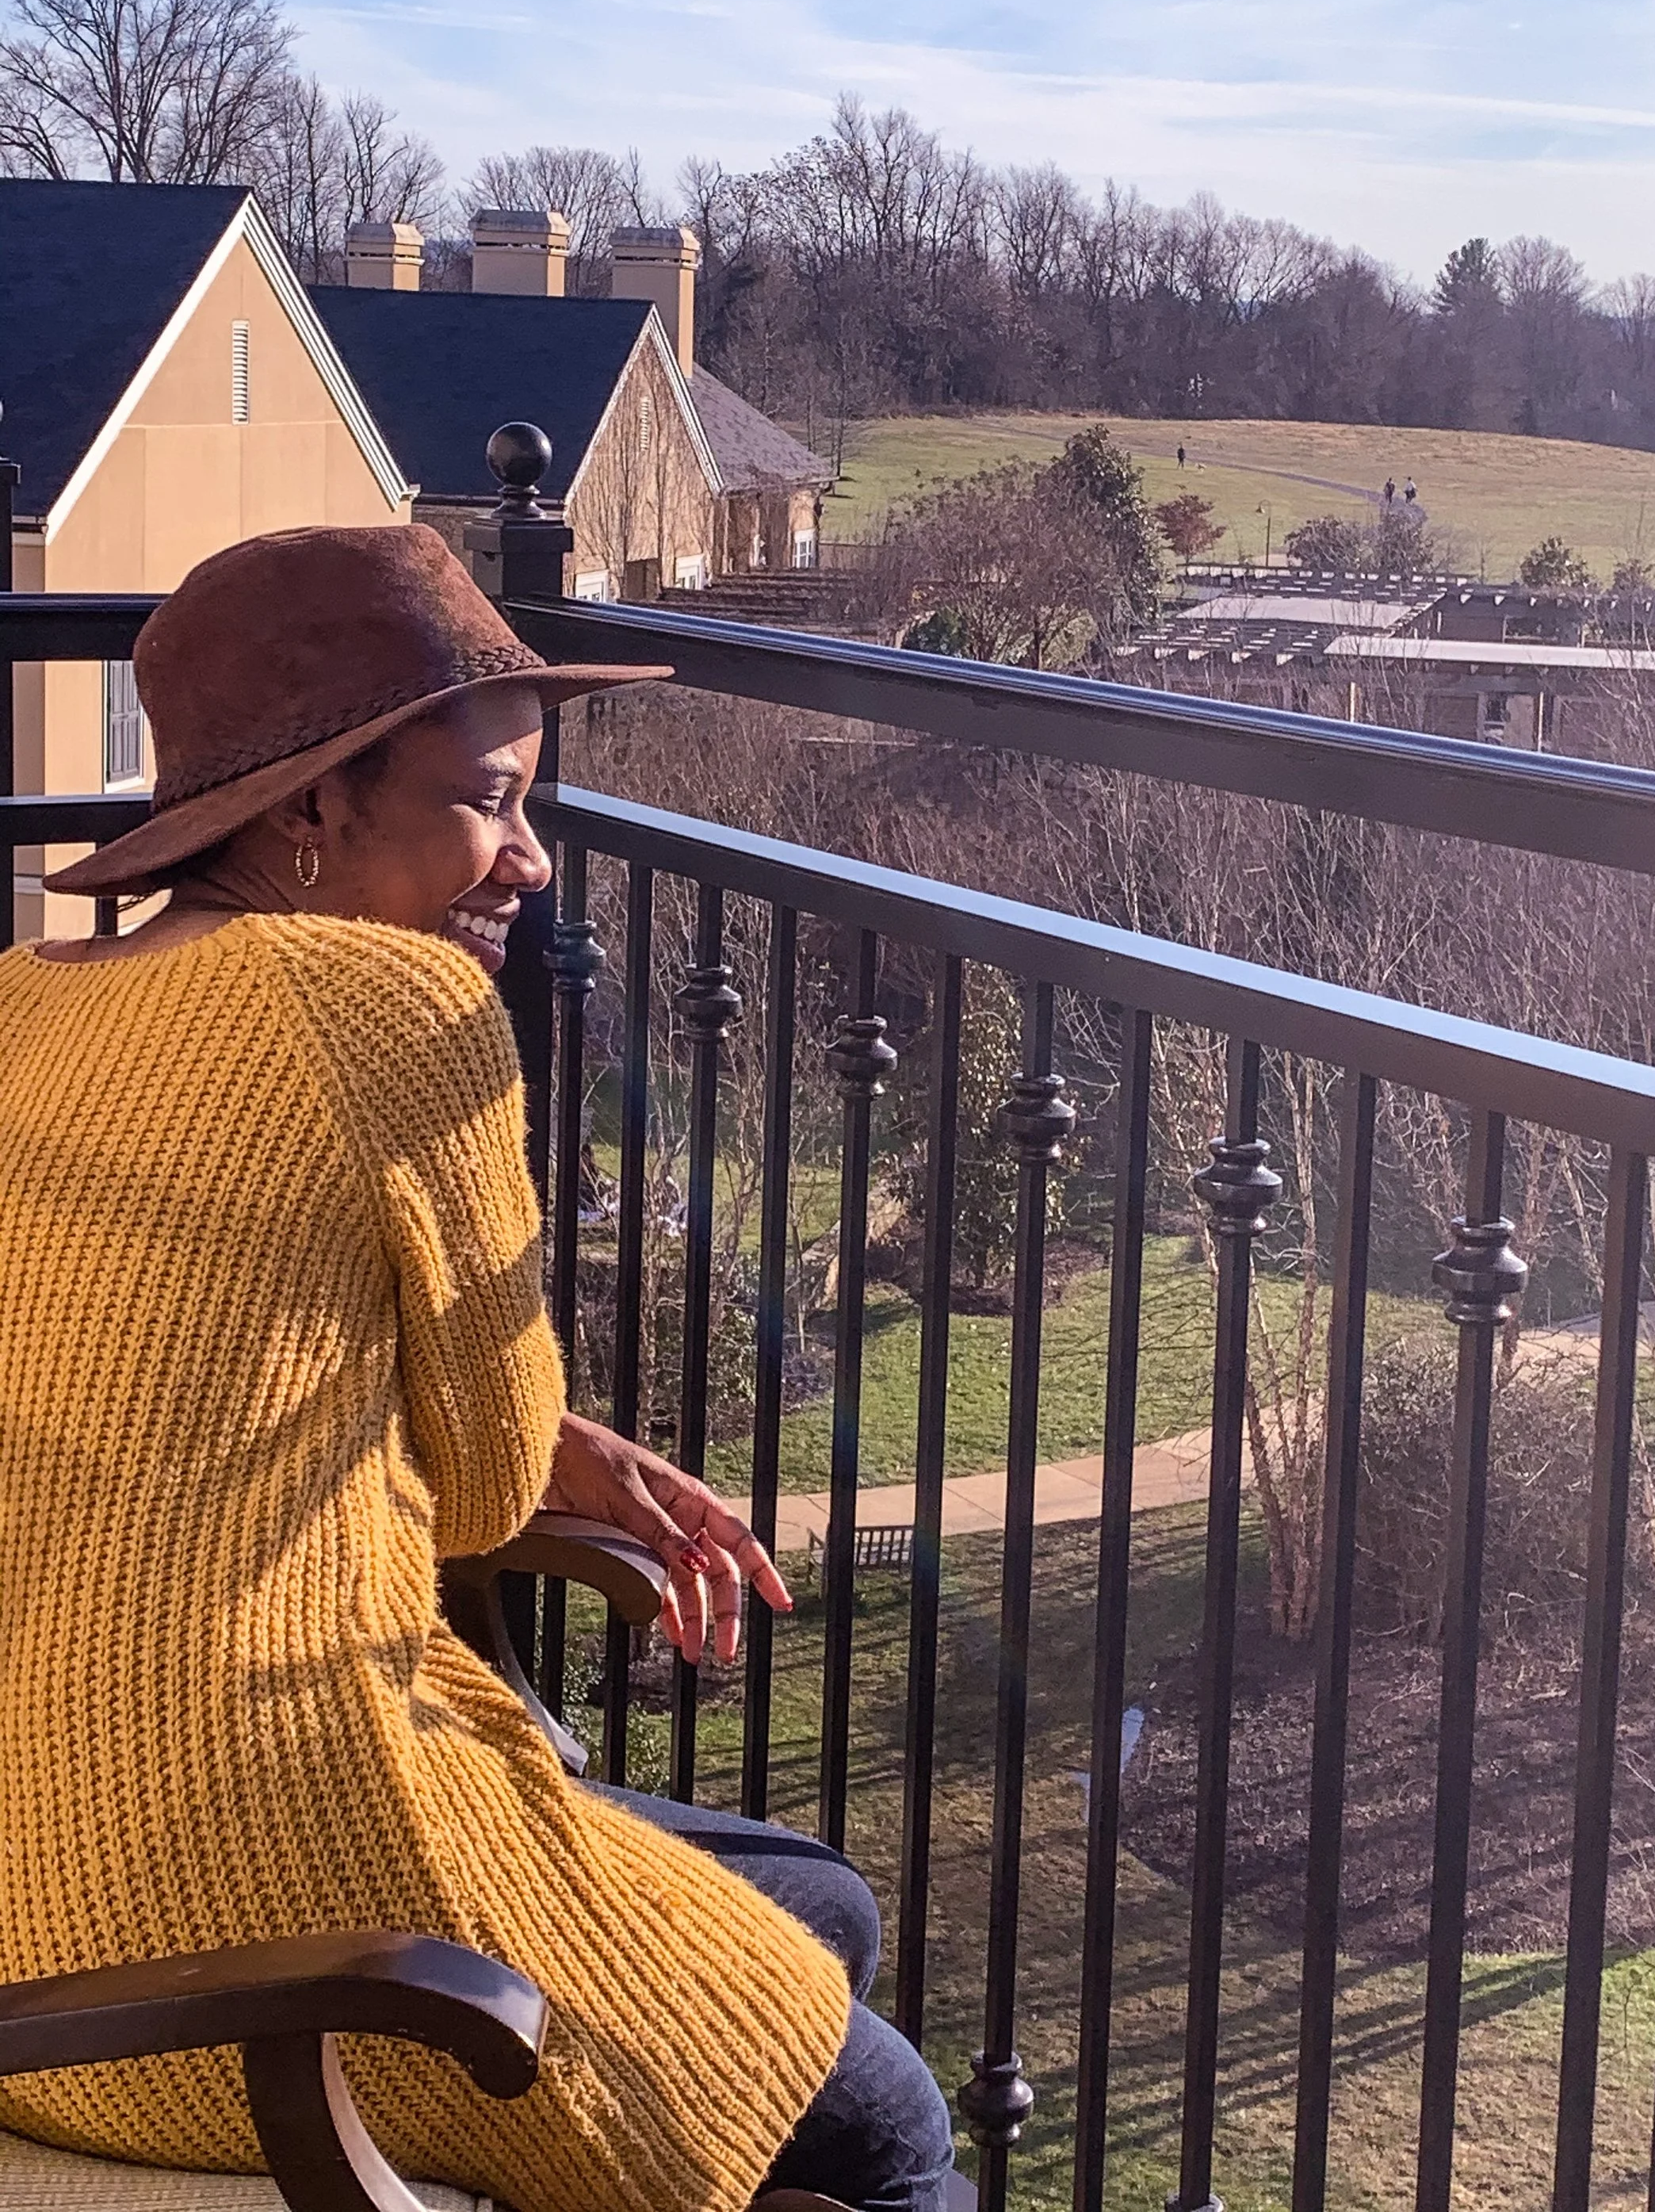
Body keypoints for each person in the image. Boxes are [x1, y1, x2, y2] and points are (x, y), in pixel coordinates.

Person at [0, 525, 954, 2212]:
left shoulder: (23, 1008)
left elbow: (173, 1389)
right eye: (488, 800)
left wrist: (539, 1435)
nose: (527, 861)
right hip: (256, 1916)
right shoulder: (384, 1007)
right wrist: (547, 1445)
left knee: (826, 1909)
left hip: (33, 1892)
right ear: (308, 809)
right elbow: (494, 1474)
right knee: (886, 2125)